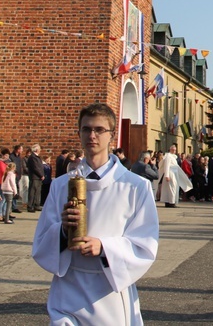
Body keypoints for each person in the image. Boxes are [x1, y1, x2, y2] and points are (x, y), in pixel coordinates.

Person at [32, 103, 159, 325]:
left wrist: (104, 248)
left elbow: (145, 244)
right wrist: (62, 231)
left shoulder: (135, 186)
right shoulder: (61, 185)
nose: (92, 135)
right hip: (68, 286)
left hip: (109, 290)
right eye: (86, 129)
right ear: (79, 133)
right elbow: (41, 241)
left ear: (112, 136)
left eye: (99, 130)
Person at [26, 144, 44, 212]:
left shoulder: (36, 157)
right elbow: (35, 168)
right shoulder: (33, 157)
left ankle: (36, 205)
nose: (40, 150)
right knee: (32, 192)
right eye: (39, 149)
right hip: (35, 177)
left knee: (37, 192)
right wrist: (41, 175)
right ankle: (30, 206)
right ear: (36, 150)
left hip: (38, 177)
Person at [10, 144, 26, 213]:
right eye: (21, 149)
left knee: (16, 191)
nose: (22, 151)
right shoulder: (11, 156)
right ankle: (12, 206)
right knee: (13, 191)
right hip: (13, 176)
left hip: (18, 176)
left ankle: (14, 206)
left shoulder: (19, 157)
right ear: (18, 150)